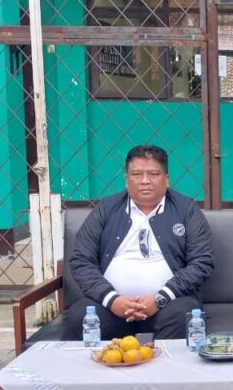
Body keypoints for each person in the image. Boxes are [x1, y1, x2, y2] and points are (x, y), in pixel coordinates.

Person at [65, 145, 214, 341]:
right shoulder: (106, 209)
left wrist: (160, 298)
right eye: (136, 174)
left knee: (183, 317)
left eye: (153, 174)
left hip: (169, 304)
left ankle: (162, 363)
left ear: (166, 179)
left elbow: (202, 262)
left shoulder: (186, 209)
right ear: (127, 179)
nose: (145, 181)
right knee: (78, 318)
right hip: (111, 307)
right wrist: (112, 300)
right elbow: (81, 260)